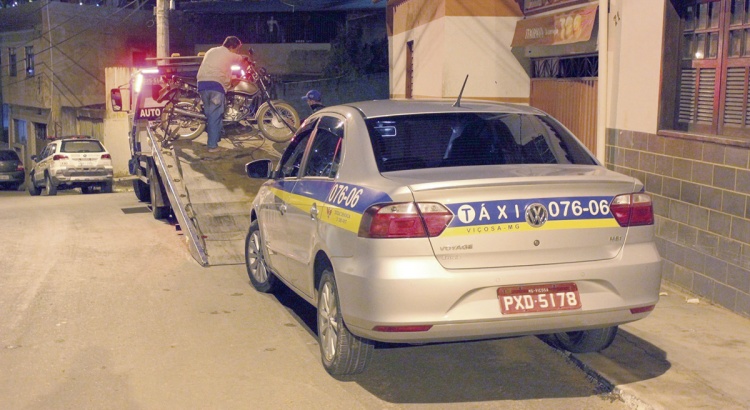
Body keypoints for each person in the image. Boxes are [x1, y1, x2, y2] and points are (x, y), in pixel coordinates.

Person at [196, 36, 250, 153]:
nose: (237, 52)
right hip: (215, 85)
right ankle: (212, 146)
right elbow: (242, 59)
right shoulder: (229, 54)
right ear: (231, 47)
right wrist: (248, 58)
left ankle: (218, 135)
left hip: (201, 84)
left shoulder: (211, 50)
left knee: (212, 114)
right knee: (215, 116)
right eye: (237, 49)